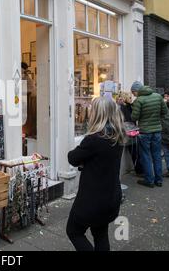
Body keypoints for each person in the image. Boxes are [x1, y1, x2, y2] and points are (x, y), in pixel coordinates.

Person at [66, 97, 126, 251]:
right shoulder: (117, 136)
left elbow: (72, 158)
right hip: (111, 197)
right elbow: (101, 160)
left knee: (74, 231)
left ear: (98, 114)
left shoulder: (94, 139)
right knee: (100, 233)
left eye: (92, 109)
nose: (90, 111)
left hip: (92, 200)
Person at [131, 81, 168, 188]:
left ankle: (149, 180)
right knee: (157, 155)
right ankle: (159, 180)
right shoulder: (158, 97)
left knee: (146, 156)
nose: (133, 95)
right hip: (157, 131)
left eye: (133, 93)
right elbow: (165, 112)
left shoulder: (139, 100)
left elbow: (134, 117)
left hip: (145, 132)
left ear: (137, 91)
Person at [116, 91, 142, 175]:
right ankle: (139, 169)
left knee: (134, 151)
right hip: (131, 131)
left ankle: (139, 170)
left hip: (128, 131)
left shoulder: (123, 107)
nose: (131, 99)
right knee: (135, 151)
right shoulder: (128, 106)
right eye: (129, 97)